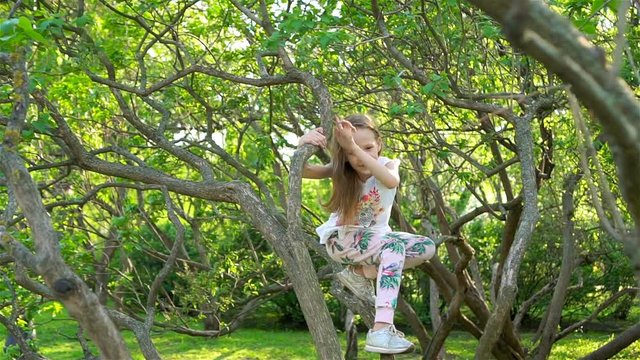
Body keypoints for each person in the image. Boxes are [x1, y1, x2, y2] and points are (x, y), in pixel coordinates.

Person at [298, 114, 436, 354]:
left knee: (427, 247)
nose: (360, 157)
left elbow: (391, 181)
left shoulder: (389, 165)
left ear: (379, 145)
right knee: (393, 248)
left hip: (375, 241)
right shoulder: (342, 171)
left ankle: (362, 272)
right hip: (343, 240)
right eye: (351, 152)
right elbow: (303, 171)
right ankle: (382, 328)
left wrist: (352, 145)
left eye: (368, 147)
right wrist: (302, 143)